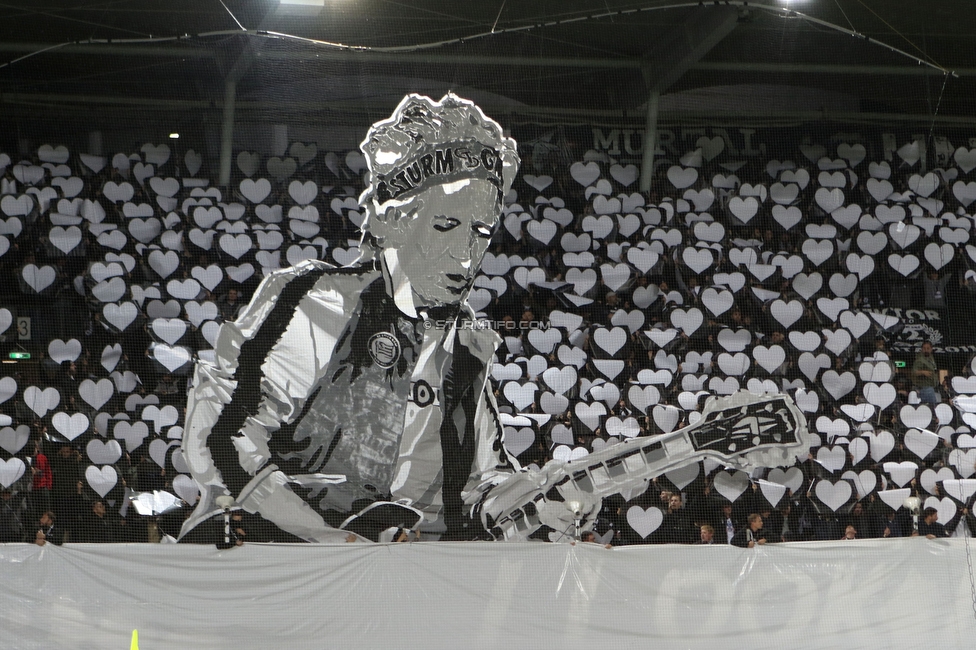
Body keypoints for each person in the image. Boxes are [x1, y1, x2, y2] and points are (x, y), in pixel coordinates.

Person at [180, 93, 522, 543]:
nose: (466, 254)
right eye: (446, 226)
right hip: (281, 569)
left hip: (396, 586)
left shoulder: (469, 346)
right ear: (396, 219)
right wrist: (324, 534)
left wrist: (537, 500)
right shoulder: (313, 299)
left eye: (482, 232)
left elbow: (483, 484)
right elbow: (221, 434)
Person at [912, 341, 941, 405]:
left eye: (928, 348)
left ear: (931, 349)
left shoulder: (931, 358)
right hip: (925, 387)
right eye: (924, 348)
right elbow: (914, 372)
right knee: (933, 407)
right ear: (922, 349)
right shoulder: (920, 359)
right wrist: (923, 372)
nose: (926, 350)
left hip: (933, 387)